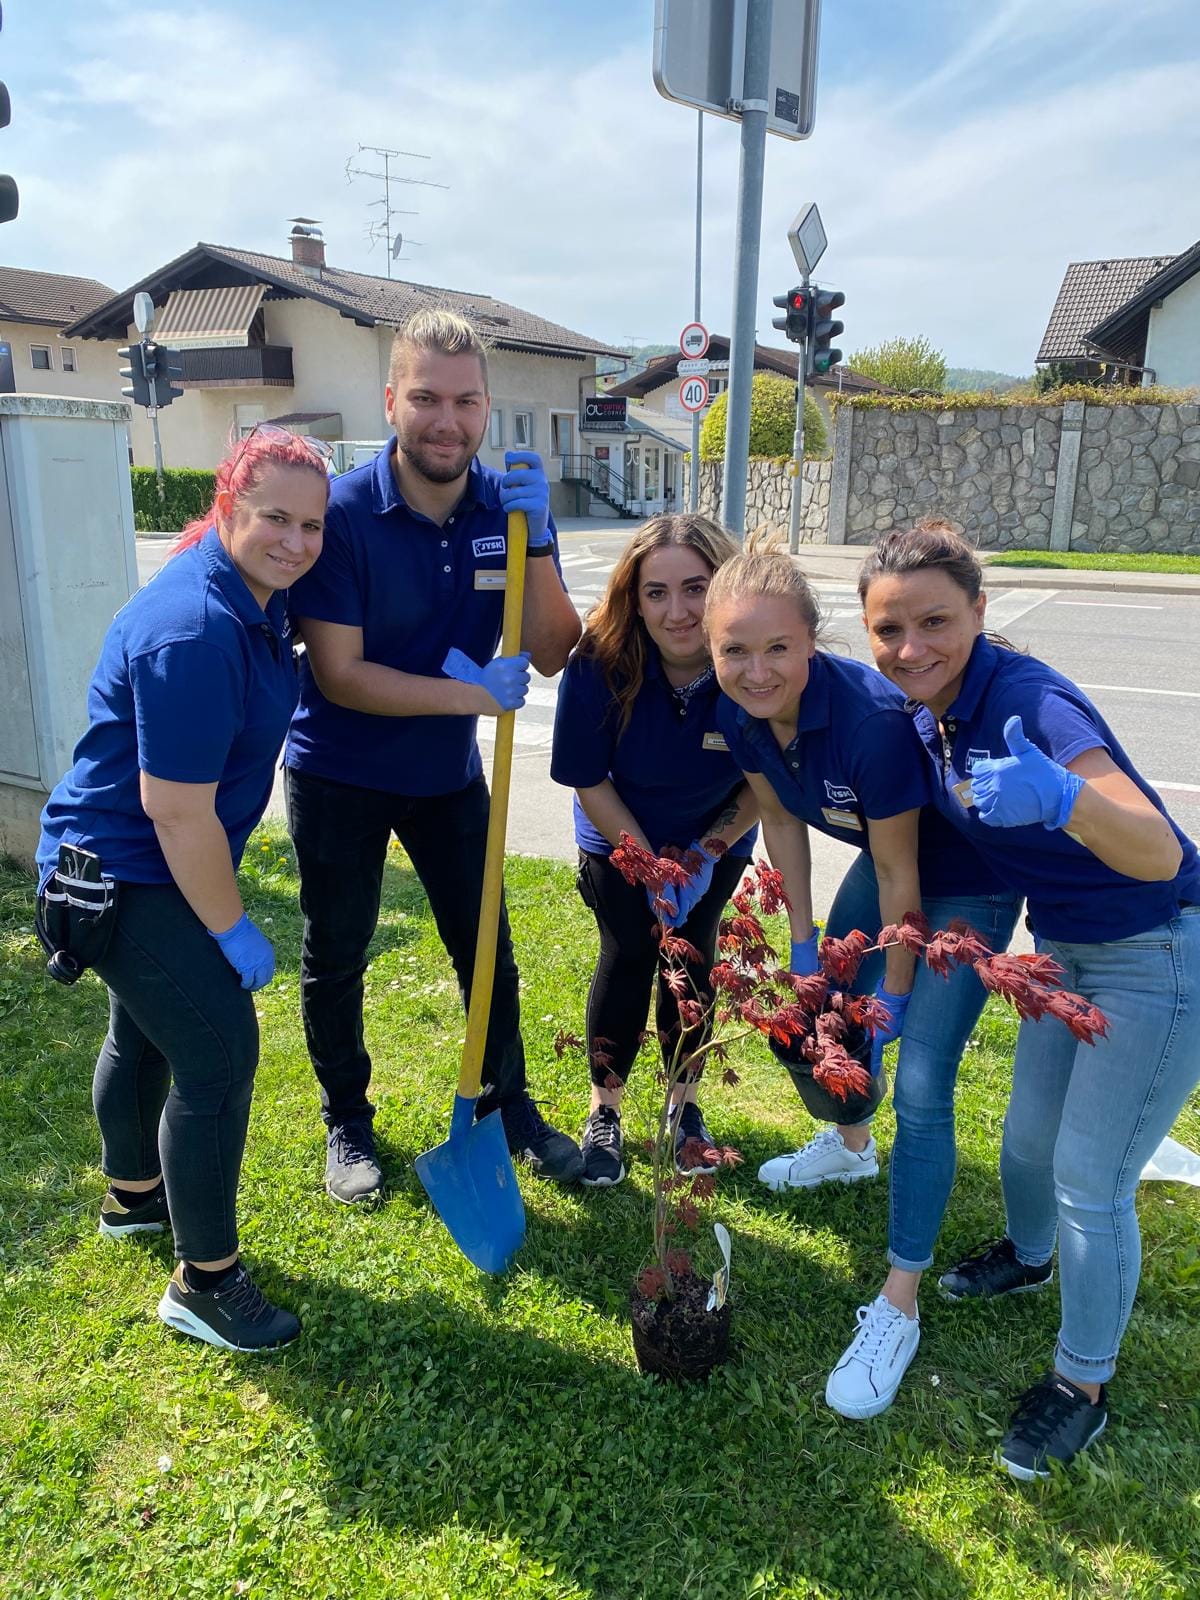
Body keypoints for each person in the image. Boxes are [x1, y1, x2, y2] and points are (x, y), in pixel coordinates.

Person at [858, 520, 1200, 1478]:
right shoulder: (930, 710)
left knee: (1093, 1180)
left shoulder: (1029, 701)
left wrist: (1064, 802)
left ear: (979, 612)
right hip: (1062, 954)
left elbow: (1160, 850)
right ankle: (1030, 1255)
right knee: (1026, 1145)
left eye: (935, 622)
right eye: (889, 630)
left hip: (1157, 951)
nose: (911, 647)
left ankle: (1080, 1386)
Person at [704, 541, 1021, 1417]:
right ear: (710, 645)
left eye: (777, 649)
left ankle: (897, 1303)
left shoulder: (872, 723)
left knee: (919, 1079)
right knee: (823, 1024)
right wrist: (805, 947)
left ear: (813, 643)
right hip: (882, 868)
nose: (756, 669)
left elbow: (902, 882)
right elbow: (778, 818)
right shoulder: (736, 709)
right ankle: (850, 1149)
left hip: (959, 879)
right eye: (734, 649)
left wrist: (898, 989)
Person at [35, 425, 329, 1351]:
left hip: (130, 854)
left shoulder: (249, 593)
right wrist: (232, 927)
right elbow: (175, 812)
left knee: (144, 1028)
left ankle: (133, 1201)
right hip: (122, 868)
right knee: (217, 1054)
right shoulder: (195, 625)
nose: (294, 540)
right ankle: (203, 1282)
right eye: (274, 517)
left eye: (311, 525)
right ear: (228, 505)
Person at [284, 308, 585, 1204]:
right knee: (337, 950)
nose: (445, 420)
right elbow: (341, 675)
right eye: (424, 398)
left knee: (484, 942)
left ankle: (510, 1108)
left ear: (488, 407)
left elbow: (556, 647)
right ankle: (346, 1120)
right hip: (339, 768)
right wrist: (472, 694)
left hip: (448, 775)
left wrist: (536, 541)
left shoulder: (509, 505)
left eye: (465, 401)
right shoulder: (340, 517)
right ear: (391, 399)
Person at [550, 514, 759, 1186]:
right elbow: (588, 779)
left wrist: (702, 855)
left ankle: (683, 1105)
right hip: (617, 836)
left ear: (725, 586)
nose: (678, 612)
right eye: (657, 592)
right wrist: (648, 862)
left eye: (696, 588)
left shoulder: (756, 662)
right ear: (633, 598)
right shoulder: (597, 665)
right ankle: (604, 1108)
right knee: (632, 949)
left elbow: (766, 782)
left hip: (714, 839)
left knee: (693, 948)